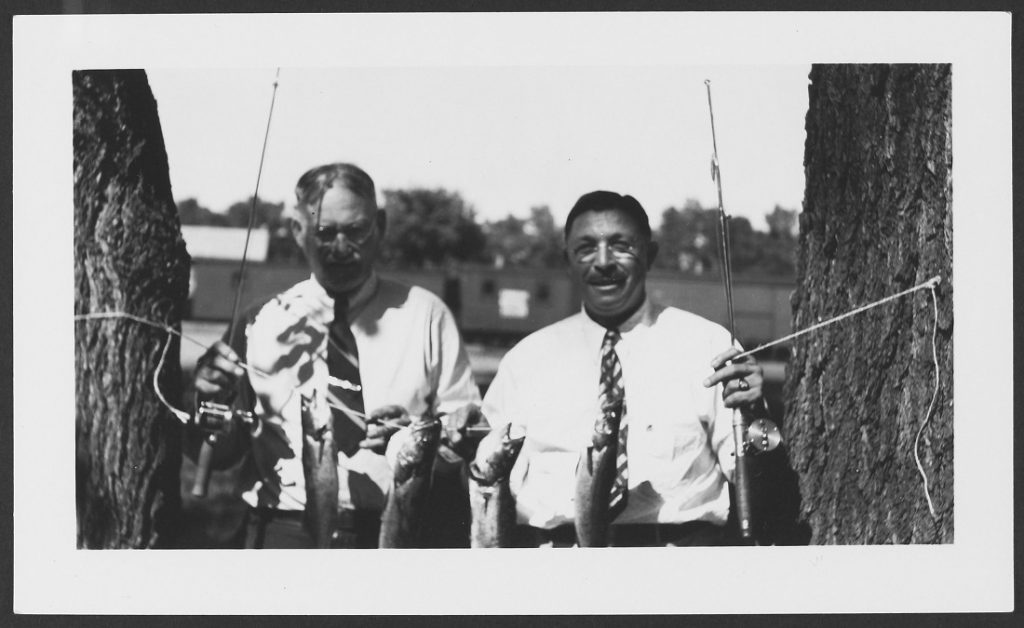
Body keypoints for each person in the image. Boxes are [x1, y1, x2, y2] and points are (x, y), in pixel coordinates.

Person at [192, 162, 482, 548]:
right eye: (325, 233)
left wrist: (418, 434)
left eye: (356, 231)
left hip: (395, 530)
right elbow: (219, 454)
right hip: (285, 533)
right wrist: (209, 399)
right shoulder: (259, 321)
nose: (341, 248)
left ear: (379, 226)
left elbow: (472, 439)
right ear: (298, 232)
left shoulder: (427, 315)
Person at [479, 190, 767, 547]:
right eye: (585, 247)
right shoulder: (525, 360)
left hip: (678, 566)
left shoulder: (707, 346)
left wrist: (755, 413)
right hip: (558, 569)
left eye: (620, 245)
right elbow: (484, 479)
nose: (603, 262)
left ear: (650, 254)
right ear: (566, 260)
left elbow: (753, 481)